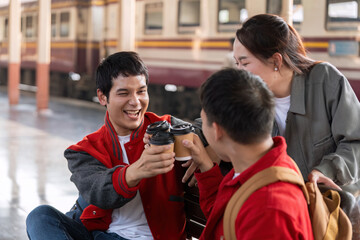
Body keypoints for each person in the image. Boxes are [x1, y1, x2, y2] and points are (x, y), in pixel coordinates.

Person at [26, 51, 188, 240]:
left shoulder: (167, 129)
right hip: (97, 234)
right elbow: (98, 192)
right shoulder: (84, 150)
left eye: (141, 91)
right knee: (40, 216)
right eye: (124, 93)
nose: (135, 102)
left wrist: (198, 150)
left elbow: (208, 128)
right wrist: (136, 171)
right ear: (102, 97)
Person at [233, 14, 360, 198]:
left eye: (244, 63)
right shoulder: (247, 95)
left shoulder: (325, 80)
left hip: (331, 208)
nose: (239, 72)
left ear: (276, 61)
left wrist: (326, 171)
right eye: (237, 63)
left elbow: (356, 142)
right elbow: (214, 121)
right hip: (281, 207)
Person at [183, 68, 313, 239]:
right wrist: (207, 167)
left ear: (217, 130)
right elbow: (227, 218)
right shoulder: (258, 166)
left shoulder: (270, 211)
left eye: (202, 121)